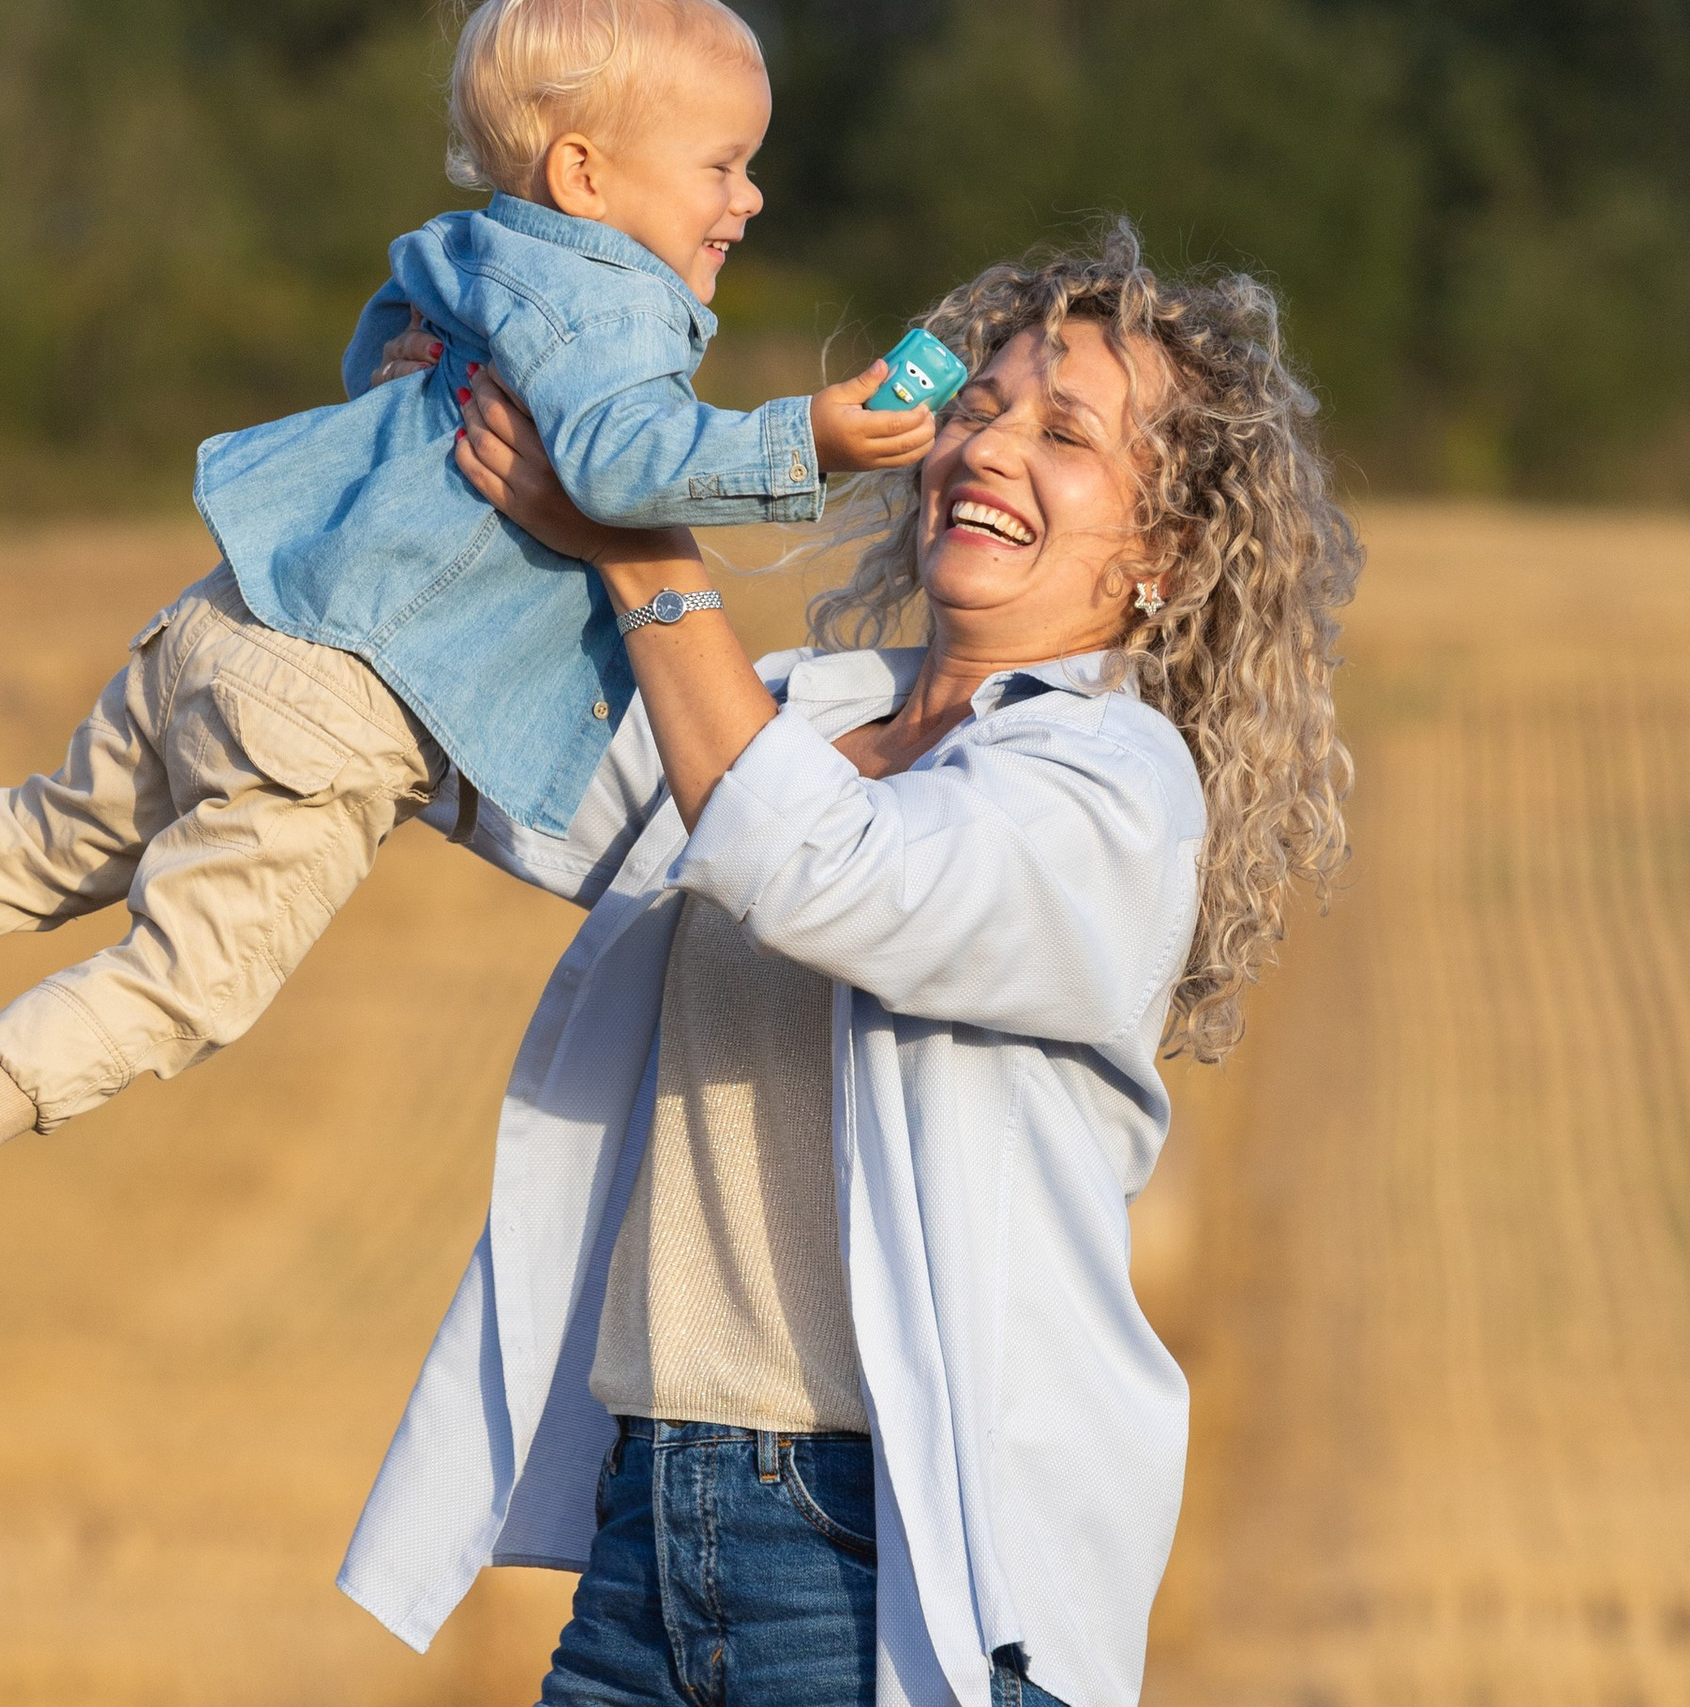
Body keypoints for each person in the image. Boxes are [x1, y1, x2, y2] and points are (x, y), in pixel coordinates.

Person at [0, 0, 936, 1356]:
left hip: (239, 607)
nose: (752, 195)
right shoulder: (617, 302)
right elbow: (623, 461)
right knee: (190, 979)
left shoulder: (486, 245)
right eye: (723, 165)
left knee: (54, 829)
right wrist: (814, 440)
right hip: (339, 703)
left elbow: (382, 339)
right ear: (587, 175)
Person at [345, 223, 1358, 1707]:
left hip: (884, 1564)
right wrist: (427, 430)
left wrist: (639, 538)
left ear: (1168, 553)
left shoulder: (1112, 788)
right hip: (646, 1539)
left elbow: (826, 873)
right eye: (977, 409)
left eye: (1063, 431)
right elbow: (505, 772)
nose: (985, 448)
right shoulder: (794, 715)